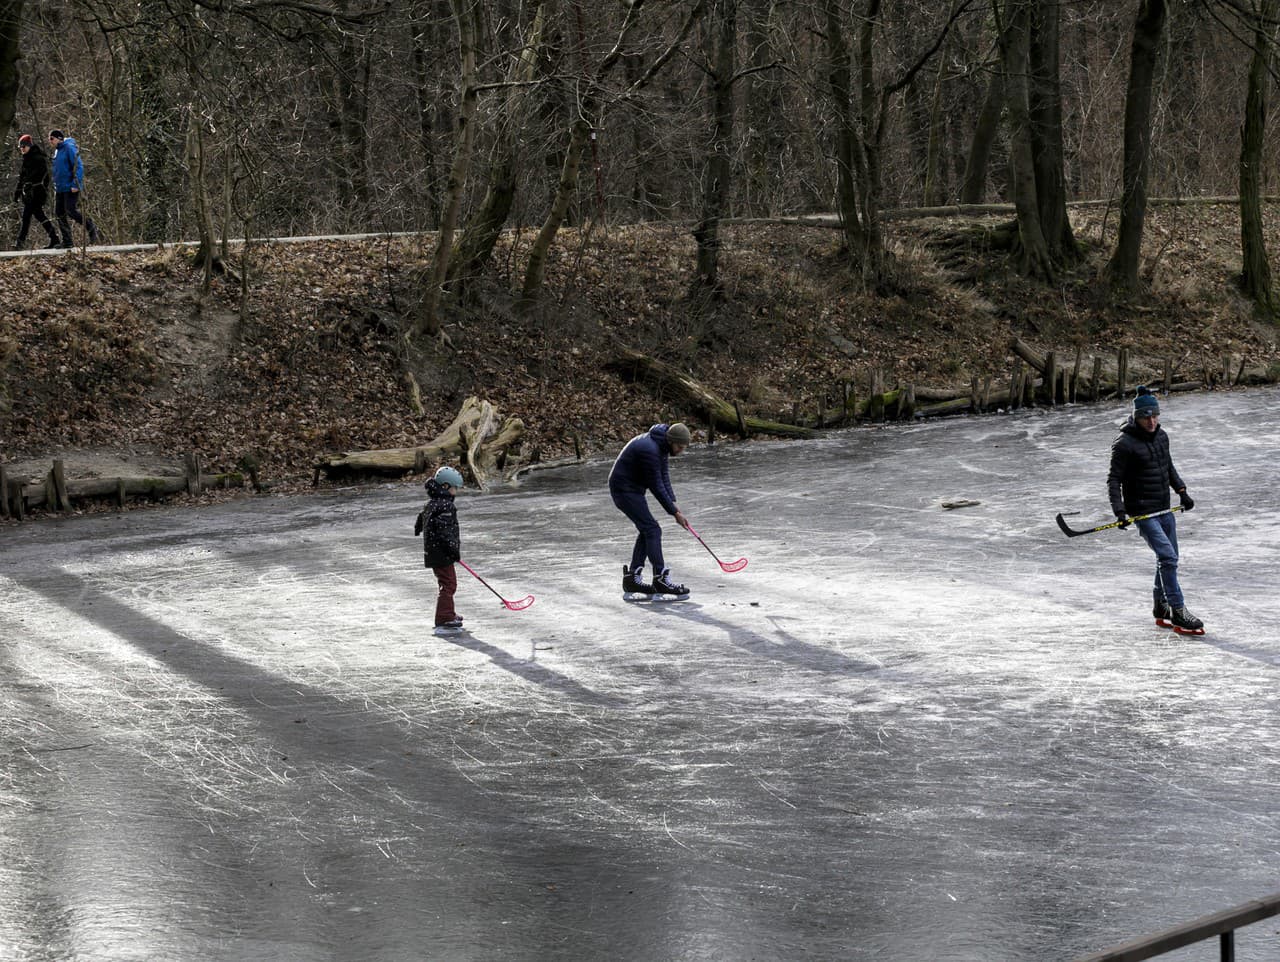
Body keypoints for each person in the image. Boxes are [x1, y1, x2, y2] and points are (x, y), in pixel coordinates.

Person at [1107, 385, 1203, 634]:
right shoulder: (1124, 444)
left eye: (1154, 416)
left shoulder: (1162, 436)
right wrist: (1120, 512)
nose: (1151, 421)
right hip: (1142, 511)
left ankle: (1160, 607)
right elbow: (1114, 480)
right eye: (1146, 417)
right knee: (1168, 557)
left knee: (1168, 558)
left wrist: (1182, 491)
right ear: (1136, 417)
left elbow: (1167, 466)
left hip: (1163, 508)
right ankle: (1178, 611)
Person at [608, 422, 692, 600]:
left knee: (647, 529)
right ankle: (660, 578)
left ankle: (632, 578)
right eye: (680, 446)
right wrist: (674, 513)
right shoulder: (650, 451)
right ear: (672, 441)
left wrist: (674, 503)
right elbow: (656, 486)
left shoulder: (661, 445)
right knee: (653, 530)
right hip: (624, 490)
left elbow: (664, 476)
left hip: (633, 489)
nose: (681, 450)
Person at [419, 465, 465, 634]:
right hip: (442, 553)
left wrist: (419, 527)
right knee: (449, 584)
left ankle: (448, 613)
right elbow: (445, 531)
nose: (456, 492)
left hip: (433, 551)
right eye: (455, 488)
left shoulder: (432, 503)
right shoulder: (446, 506)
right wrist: (453, 550)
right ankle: (444, 617)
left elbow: (422, 517)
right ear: (445, 486)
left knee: (446, 583)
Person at [48, 129, 100, 248]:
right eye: (49, 139)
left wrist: (76, 184)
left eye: (52, 138)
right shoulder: (57, 151)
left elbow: (79, 166)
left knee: (70, 211)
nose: (50, 141)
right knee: (59, 213)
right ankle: (67, 242)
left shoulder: (69, 148)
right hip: (60, 188)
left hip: (70, 187)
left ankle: (90, 226)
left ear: (59, 138)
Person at [12, 134, 60, 250]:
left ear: (29, 146)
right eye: (20, 147)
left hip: (37, 195)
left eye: (24, 146)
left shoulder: (38, 158)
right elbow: (22, 179)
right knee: (39, 216)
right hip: (29, 195)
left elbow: (44, 178)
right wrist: (16, 195)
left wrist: (33, 187)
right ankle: (55, 239)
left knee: (26, 218)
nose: (22, 149)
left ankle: (20, 243)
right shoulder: (26, 159)